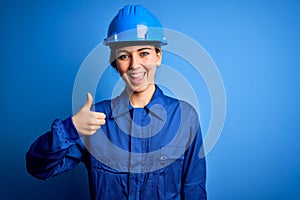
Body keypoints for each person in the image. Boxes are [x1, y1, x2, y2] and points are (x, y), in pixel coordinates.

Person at [26, 5, 207, 200]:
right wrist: (71, 128)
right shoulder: (94, 120)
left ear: (158, 56)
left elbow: (194, 192)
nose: (135, 64)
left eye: (143, 53)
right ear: (115, 63)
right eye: (124, 56)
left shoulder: (184, 117)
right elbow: (38, 168)